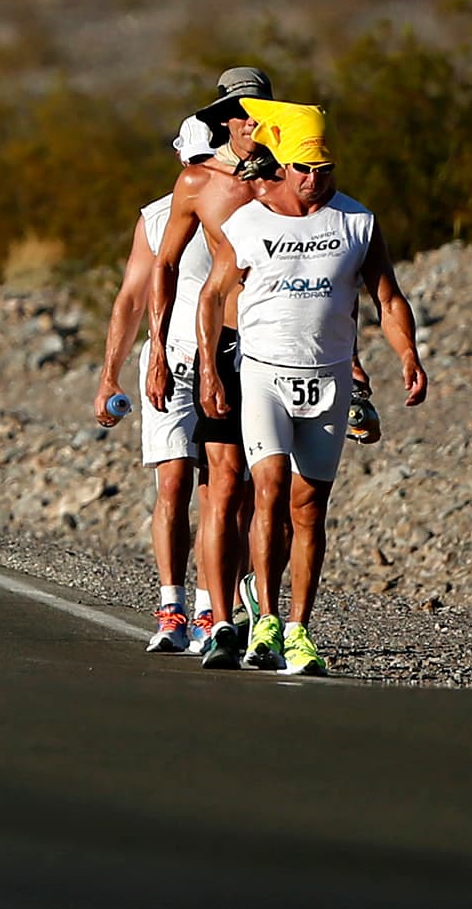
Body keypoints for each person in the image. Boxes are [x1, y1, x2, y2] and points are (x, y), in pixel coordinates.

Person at [196, 100, 428, 678]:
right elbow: (210, 297)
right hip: (264, 373)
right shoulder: (247, 222)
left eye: (324, 169)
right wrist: (207, 368)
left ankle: (300, 629)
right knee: (269, 489)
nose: (314, 180)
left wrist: (408, 355)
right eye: (303, 169)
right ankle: (266, 622)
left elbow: (387, 297)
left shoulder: (357, 222)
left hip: (327, 379)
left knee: (310, 507)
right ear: (283, 163)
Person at [115, 65, 273, 656]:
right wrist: (143, 358)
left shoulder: (285, 186)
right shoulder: (180, 199)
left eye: (258, 111)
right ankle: (179, 604)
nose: (248, 122)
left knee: (236, 489)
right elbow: (140, 288)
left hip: (256, 350)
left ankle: (229, 611)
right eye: (236, 112)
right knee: (180, 482)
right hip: (189, 352)